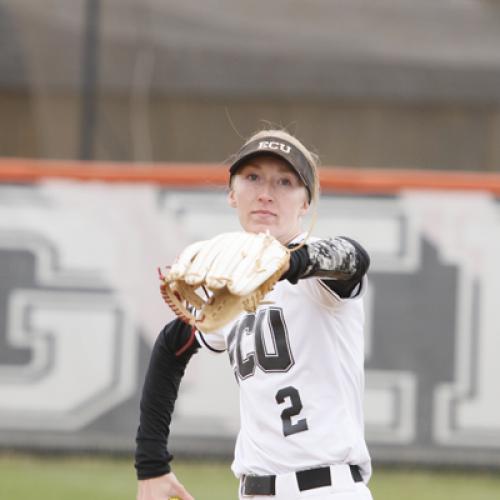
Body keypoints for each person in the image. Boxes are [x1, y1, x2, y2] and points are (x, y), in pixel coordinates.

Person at [135, 129, 373, 500]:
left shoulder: (320, 278)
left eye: (285, 181)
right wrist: (152, 465)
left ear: (305, 202)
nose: (266, 192)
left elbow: (353, 257)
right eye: (252, 177)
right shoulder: (231, 286)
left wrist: (289, 263)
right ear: (232, 194)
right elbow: (170, 347)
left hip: (327, 489)